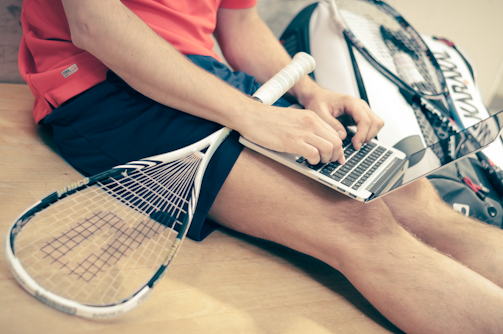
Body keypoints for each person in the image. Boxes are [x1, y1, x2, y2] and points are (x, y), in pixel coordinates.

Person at [18, 1, 503, 332]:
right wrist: (250, 114)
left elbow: (240, 23)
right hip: (96, 82)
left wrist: (308, 92)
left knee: (410, 195)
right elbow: (94, 24)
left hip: (201, 72)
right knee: (355, 218)